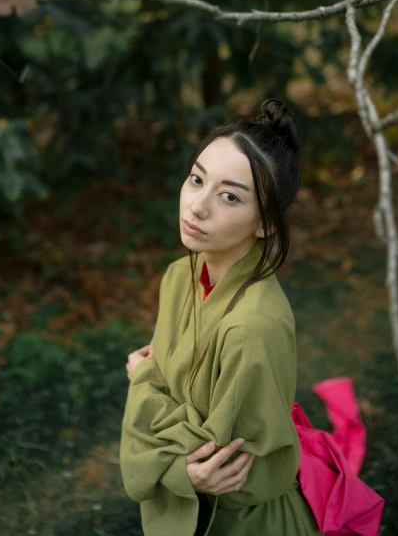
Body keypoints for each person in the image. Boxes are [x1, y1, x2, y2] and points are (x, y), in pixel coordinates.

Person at [120, 98, 323, 536]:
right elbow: (181, 422)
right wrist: (155, 383)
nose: (197, 206)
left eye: (230, 196)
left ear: (265, 223)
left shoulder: (251, 327)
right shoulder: (181, 275)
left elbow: (219, 465)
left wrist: (144, 380)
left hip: (246, 523)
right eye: (196, 179)